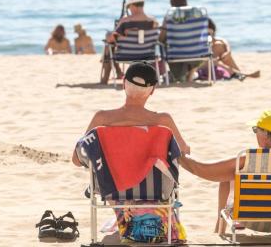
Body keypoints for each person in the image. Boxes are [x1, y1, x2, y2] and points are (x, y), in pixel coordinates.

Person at [72, 62, 191, 242]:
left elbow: (77, 158)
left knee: (105, 171)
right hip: (156, 191)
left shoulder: (102, 119)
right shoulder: (163, 122)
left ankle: (126, 216)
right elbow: (182, 152)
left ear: (123, 83)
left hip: (111, 189)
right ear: (152, 91)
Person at [100, 0, 160, 84]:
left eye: (128, 7)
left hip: (126, 56)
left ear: (132, 6)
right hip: (149, 56)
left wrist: (108, 35)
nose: (129, 9)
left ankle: (105, 79)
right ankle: (118, 73)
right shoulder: (154, 21)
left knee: (109, 45)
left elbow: (111, 39)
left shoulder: (125, 22)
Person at [159, 0, 204, 83]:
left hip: (175, 53)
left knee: (161, 44)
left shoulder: (170, 16)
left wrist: (158, 40)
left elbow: (162, 37)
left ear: (172, 4)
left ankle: (178, 74)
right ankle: (190, 73)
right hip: (197, 53)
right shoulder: (197, 14)